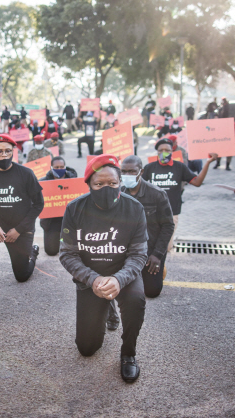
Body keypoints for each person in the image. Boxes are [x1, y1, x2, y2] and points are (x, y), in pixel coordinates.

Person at [59, 154, 148, 383]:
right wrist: (93, 280)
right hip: (91, 278)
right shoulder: (74, 209)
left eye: (113, 183)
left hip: (124, 274)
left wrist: (118, 280)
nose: (106, 188)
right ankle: (107, 306)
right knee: (87, 348)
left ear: (120, 183)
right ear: (88, 183)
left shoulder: (135, 208)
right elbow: (68, 254)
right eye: (99, 184)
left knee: (136, 299)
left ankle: (129, 353)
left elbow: (138, 254)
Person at [0, 134, 43, 288]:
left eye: (8, 151)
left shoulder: (26, 173)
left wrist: (19, 230)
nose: (4, 155)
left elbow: (38, 204)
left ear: (13, 151)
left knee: (22, 276)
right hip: (1, 221)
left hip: (22, 226)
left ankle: (32, 252)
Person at [142, 138, 218, 251]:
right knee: (150, 247)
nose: (164, 153)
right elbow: (138, 186)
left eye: (167, 150)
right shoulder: (150, 167)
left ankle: (161, 267)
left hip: (171, 214)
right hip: (152, 213)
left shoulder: (179, 167)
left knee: (165, 248)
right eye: (160, 150)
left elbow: (197, 182)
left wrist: (207, 162)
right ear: (157, 152)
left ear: (172, 151)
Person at [121, 155, 174, 299]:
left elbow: (168, 226)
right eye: (123, 171)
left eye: (132, 171)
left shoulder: (157, 194)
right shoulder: (119, 194)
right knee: (121, 290)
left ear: (141, 171)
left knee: (151, 292)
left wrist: (157, 255)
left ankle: (160, 267)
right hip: (128, 250)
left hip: (151, 250)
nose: (127, 175)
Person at [39, 157, 78, 256]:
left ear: (65, 167)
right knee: (51, 251)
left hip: (70, 220)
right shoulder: (43, 183)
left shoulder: (74, 181)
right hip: (51, 222)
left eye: (61, 167)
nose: (59, 169)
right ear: (51, 167)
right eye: (56, 167)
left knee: (74, 252)